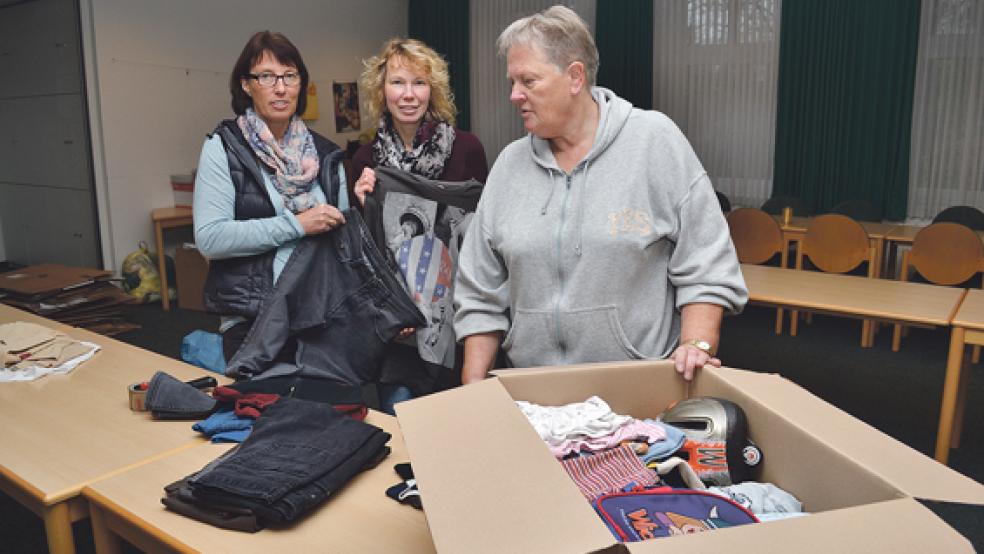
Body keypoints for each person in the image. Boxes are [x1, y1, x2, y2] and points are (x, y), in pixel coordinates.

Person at [453, 6, 748, 385]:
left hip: (638, 387)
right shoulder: (509, 165)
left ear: (575, 77)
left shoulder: (654, 141)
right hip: (533, 389)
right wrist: (473, 386)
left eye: (528, 80)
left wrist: (697, 345)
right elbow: (480, 288)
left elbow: (707, 261)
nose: (514, 95)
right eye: (512, 81)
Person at [352, 37, 489, 412]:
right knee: (402, 426)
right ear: (382, 91)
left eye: (419, 82)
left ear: (434, 90)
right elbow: (360, 249)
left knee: (456, 428)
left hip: (454, 317)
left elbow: (482, 236)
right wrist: (361, 202)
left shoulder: (466, 149)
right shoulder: (365, 159)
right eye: (398, 82)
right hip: (396, 327)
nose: (408, 94)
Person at [194, 31, 349, 361]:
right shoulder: (223, 148)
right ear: (246, 85)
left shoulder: (327, 154)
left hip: (322, 319)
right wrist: (298, 225)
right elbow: (211, 238)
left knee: (332, 410)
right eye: (267, 76)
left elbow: (345, 242)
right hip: (254, 321)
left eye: (290, 76)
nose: (280, 88)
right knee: (266, 410)